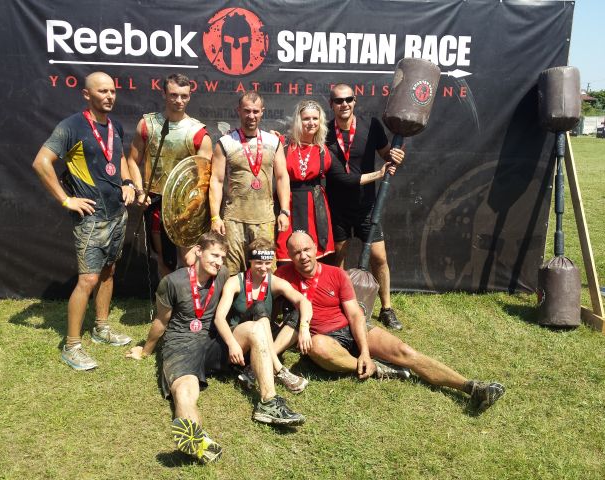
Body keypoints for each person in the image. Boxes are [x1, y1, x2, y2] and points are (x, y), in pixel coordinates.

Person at [274, 231, 506, 414]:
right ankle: (377, 368)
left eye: (306, 249)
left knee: (405, 351)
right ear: (289, 256)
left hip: (351, 329)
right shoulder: (282, 277)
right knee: (317, 346)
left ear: (315, 248)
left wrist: (365, 351)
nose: (303, 256)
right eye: (296, 252)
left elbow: (355, 315)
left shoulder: (336, 274)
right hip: (323, 338)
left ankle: (472, 388)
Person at [126, 232, 305, 465]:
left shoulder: (222, 275)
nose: (219, 262)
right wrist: (145, 350)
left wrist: (235, 339)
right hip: (182, 345)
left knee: (256, 329)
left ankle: (268, 402)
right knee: (184, 390)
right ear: (198, 251)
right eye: (214, 255)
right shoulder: (172, 282)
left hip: (214, 341)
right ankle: (196, 438)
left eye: (222, 257)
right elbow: (161, 321)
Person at [32, 71, 135, 371]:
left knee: (108, 272)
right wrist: (66, 200)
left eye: (112, 91)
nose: (109, 96)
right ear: (87, 94)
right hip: (92, 219)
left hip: (117, 214)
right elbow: (41, 162)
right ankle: (72, 346)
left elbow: (120, 158)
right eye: (102, 91)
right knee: (88, 280)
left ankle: (101, 328)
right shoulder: (72, 126)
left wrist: (128, 182)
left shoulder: (115, 126)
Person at [325, 84, 405, 329]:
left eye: (348, 99)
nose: (344, 104)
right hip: (337, 207)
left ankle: (387, 308)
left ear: (355, 101)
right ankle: (338, 306)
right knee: (337, 258)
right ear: (331, 104)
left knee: (379, 258)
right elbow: (340, 177)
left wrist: (397, 157)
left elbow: (387, 156)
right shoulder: (324, 132)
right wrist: (379, 173)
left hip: (367, 207)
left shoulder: (371, 126)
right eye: (339, 101)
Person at [127, 73, 212, 277]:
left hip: (188, 206)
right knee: (164, 260)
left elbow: (204, 179)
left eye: (184, 96)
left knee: (191, 260)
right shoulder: (147, 125)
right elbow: (132, 160)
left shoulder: (198, 132)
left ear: (189, 96)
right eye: (173, 95)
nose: (179, 100)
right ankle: (166, 297)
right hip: (157, 202)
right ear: (164, 94)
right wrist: (139, 191)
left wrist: (193, 207)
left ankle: (191, 298)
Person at [214, 237, 313, 394]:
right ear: (250, 261)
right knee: (259, 305)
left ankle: (254, 368)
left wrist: (304, 327)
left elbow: (303, 301)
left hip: (263, 340)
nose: (263, 267)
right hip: (240, 342)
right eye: (258, 263)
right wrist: (232, 344)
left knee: (298, 313)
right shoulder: (234, 282)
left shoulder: (274, 281)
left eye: (267, 263)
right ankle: (279, 369)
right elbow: (219, 318)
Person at [209, 91, 291, 276]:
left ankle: (262, 298)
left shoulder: (273, 142)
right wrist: (215, 217)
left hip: (265, 219)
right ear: (238, 111)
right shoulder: (225, 142)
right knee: (231, 272)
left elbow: (282, 177)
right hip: (233, 220)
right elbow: (216, 180)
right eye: (247, 111)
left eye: (255, 111)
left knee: (265, 271)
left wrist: (285, 211)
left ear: (262, 112)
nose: (251, 116)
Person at [275, 100, 334, 263]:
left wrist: (378, 174)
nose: (311, 123)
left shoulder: (323, 151)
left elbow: (343, 177)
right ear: (298, 121)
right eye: (306, 118)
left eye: (315, 118)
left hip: (314, 205)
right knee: (285, 255)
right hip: (287, 202)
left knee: (314, 256)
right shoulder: (282, 144)